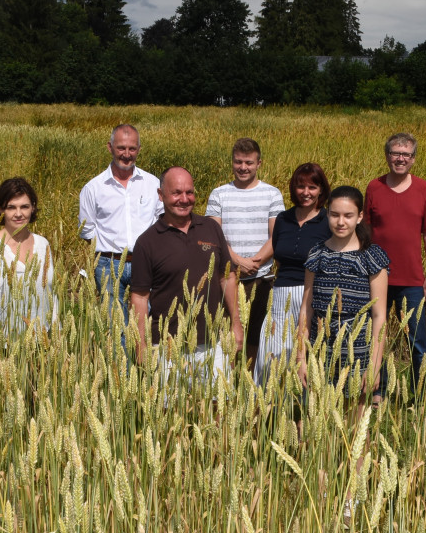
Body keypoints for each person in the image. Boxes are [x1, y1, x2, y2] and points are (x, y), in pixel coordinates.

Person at [130, 167, 243, 380]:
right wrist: (141, 344)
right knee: (170, 410)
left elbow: (226, 276)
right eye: (176, 193)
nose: (184, 199)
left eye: (189, 192)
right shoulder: (147, 242)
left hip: (214, 342)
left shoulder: (211, 228)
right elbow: (140, 297)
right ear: (161, 195)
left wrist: (236, 324)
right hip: (167, 345)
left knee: (215, 408)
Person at [297, 186, 389, 402]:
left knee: (354, 428)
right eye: (335, 214)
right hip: (320, 350)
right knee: (316, 420)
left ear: (360, 217)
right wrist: (301, 356)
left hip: (358, 353)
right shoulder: (317, 254)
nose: (341, 222)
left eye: (348, 216)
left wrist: (375, 363)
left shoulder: (372, 257)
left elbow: (379, 316)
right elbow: (306, 308)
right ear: (327, 214)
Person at [364, 133, 426, 391]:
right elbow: (366, 232)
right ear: (387, 156)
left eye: (406, 154)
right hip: (377, 277)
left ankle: (421, 396)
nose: (400, 158)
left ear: (413, 159)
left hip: (412, 280)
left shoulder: (422, 188)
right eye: (395, 153)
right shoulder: (374, 187)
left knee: (417, 341)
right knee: (377, 337)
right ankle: (378, 391)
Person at [205, 138, 285, 367]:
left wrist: (255, 262)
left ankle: (249, 384)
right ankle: (228, 386)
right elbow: (214, 234)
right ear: (232, 162)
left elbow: (276, 235)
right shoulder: (219, 194)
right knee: (229, 337)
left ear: (259, 163)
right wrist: (238, 261)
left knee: (256, 337)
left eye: (248, 162)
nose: (243, 167)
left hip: (262, 279)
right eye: (238, 162)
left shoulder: (272, 194)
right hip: (227, 278)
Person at [254, 163, 331, 383]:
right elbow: (278, 254)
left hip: (312, 298)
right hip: (280, 296)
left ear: (321, 190)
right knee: (271, 358)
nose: (306, 193)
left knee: (304, 359)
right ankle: (271, 411)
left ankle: (302, 412)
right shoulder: (283, 219)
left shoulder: (327, 221)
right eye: (300, 186)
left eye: (312, 187)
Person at [78, 124, 161, 322]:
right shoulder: (93, 188)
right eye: (121, 148)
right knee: (115, 326)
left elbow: (162, 221)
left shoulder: (153, 184)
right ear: (110, 147)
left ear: (139, 150)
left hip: (146, 263)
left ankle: (142, 355)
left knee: (147, 323)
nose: (126, 154)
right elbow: (87, 230)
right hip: (108, 265)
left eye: (132, 148)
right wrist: (108, 253)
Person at [0, 177, 57, 332]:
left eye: (25, 207)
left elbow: (52, 294)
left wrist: (56, 330)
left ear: (33, 208)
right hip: (3, 343)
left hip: (43, 341)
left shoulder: (43, 244)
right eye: (11, 207)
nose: (19, 214)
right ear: (1, 209)